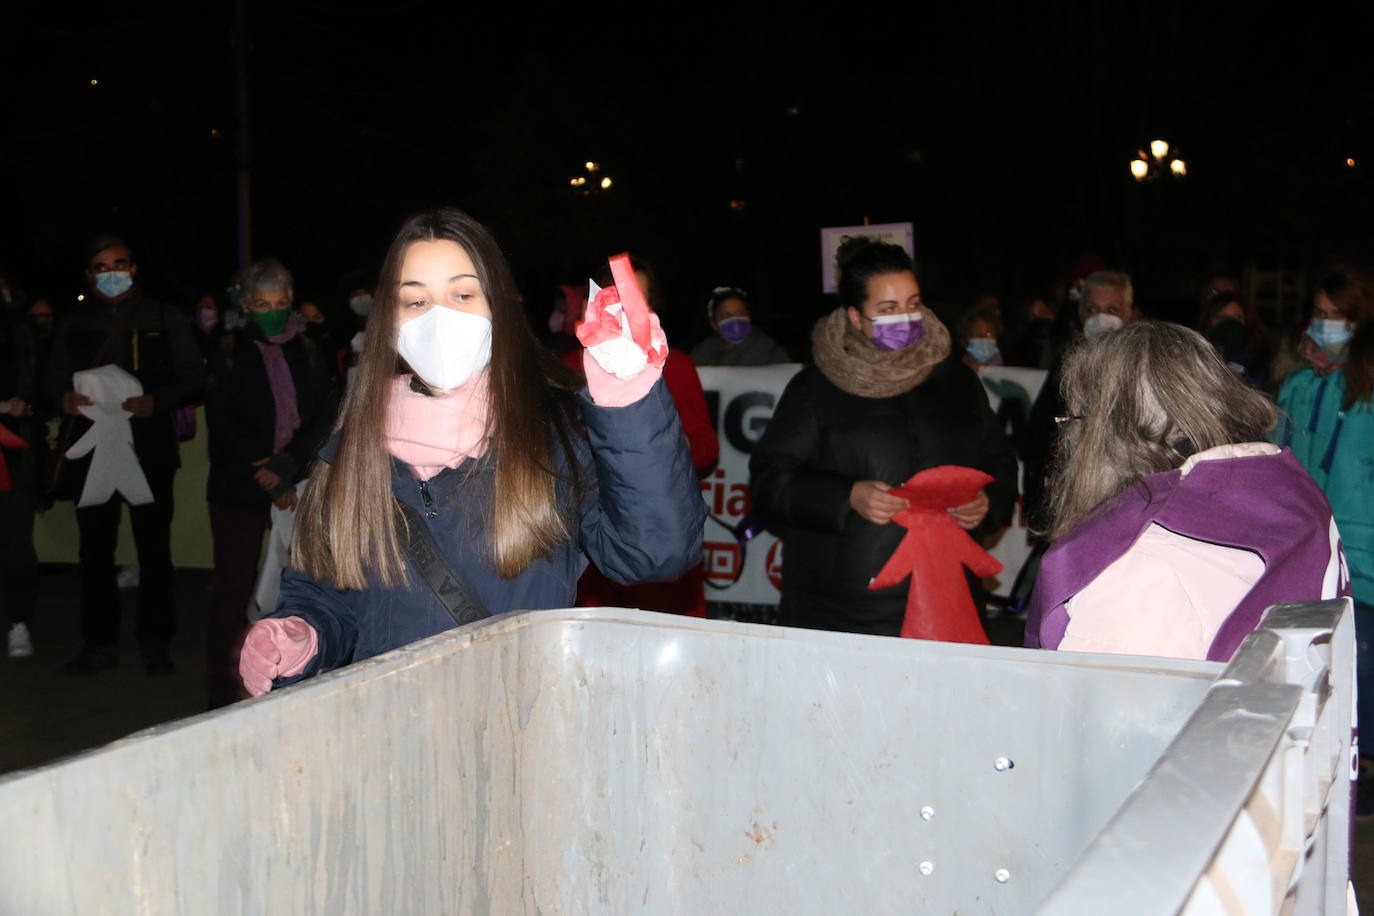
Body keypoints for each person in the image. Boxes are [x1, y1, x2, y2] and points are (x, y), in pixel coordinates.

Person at [238, 208, 705, 694]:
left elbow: (656, 553)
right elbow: (326, 592)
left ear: (498, 307)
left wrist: (629, 402)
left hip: (518, 727)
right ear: (389, 320)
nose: (439, 318)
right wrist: (300, 633)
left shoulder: (552, 434)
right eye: (415, 301)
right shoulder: (353, 448)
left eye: (462, 295)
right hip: (392, 728)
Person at [1024, 321, 1345, 660]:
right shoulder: (1290, 492)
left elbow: (1094, 705)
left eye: (1073, 422)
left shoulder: (1138, 571)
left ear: (1103, 438)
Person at [749, 238, 1017, 639]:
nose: (906, 319)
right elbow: (770, 481)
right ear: (856, 317)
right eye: (888, 309)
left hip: (950, 599)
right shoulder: (816, 387)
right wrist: (846, 496)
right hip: (848, 611)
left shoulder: (957, 381)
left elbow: (999, 462)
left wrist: (988, 502)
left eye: (913, 304)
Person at [46, 235, 204, 676]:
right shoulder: (74, 321)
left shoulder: (163, 315)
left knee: (154, 550)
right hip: (91, 450)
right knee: (94, 550)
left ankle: (155, 640)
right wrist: (61, 398)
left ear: (134, 268)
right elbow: (51, 378)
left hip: (149, 448)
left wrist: (160, 399)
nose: (112, 273)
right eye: (101, 266)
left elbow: (195, 376)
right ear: (88, 274)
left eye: (119, 264)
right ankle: (98, 643)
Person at [203, 258, 339, 708]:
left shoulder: (309, 349)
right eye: (263, 304)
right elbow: (223, 423)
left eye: (281, 303)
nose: (274, 312)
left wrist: (287, 464)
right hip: (239, 485)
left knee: (299, 586)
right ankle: (226, 692)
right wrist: (265, 473)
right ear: (246, 304)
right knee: (233, 590)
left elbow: (323, 415)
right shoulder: (228, 350)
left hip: (296, 479)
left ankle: (288, 679)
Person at [564, 256, 719, 617]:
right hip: (592, 541)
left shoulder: (676, 365)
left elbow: (706, 447)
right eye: (618, 297)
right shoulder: (569, 367)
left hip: (660, 528)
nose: (629, 308)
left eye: (640, 299)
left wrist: (649, 456)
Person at [1273, 264, 1373, 799]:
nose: (1327, 326)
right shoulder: (1297, 382)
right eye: (1320, 314)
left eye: (1340, 316)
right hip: (1304, 545)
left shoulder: (1369, 383)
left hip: (1364, 548)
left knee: (1364, 667)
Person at [1022, 270, 1140, 532]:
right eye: (1092, 309)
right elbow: (1040, 434)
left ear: (1129, 313)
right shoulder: (1065, 365)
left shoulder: (1143, 368)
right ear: (1080, 313)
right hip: (1073, 505)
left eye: (1112, 309)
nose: (1101, 318)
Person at [0, 286, 42, 657]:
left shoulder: (20, 335)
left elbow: (39, 392)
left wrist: (23, 408)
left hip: (11, 458)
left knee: (16, 545)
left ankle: (19, 622)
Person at [690, 286, 791, 367]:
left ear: (748, 316)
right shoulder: (703, 352)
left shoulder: (769, 351)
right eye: (726, 315)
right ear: (714, 324)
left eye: (740, 313)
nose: (735, 319)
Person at [1196, 291, 1271, 391]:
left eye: (1238, 318)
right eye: (1222, 318)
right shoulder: (1195, 358)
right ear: (1208, 322)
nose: (1231, 324)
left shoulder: (1259, 361)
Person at [958, 304, 1004, 370]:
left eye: (988, 334)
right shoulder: (960, 366)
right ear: (965, 340)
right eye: (977, 335)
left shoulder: (1000, 368)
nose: (984, 338)